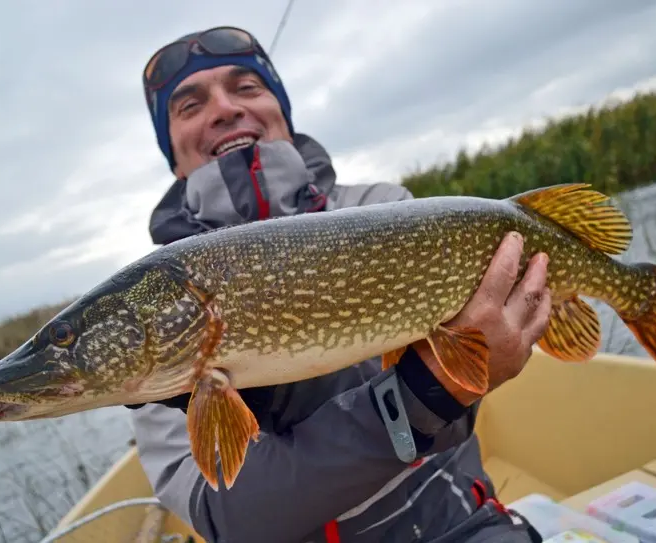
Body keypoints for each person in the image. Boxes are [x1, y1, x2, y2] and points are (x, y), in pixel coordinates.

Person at [127, 25, 552, 543]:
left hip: (459, 523)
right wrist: (422, 397)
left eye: (246, 88)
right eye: (190, 105)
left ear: (281, 110)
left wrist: (454, 377)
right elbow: (230, 519)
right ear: (172, 154)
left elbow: (462, 348)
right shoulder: (153, 303)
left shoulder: (382, 209)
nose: (223, 109)